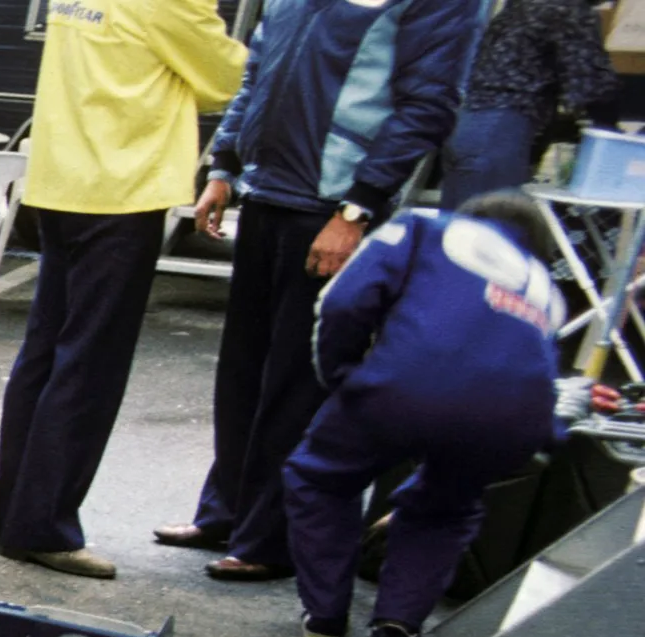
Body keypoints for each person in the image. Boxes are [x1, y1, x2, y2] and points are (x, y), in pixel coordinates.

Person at [160, 0, 481, 583]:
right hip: (266, 194)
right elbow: (257, 70)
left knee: (298, 382)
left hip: (333, 207)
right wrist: (224, 165)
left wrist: (358, 208)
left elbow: (427, 105)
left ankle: (272, 540)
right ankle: (227, 514)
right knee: (243, 374)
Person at [0, 0, 246, 577]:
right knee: (89, 368)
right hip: (122, 190)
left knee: (43, 357)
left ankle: (10, 510)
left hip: (61, 180)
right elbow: (226, 81)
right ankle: (44, 527)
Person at [284, 192, 568, 637]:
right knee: (445, 508)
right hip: (512, 417)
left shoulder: (423, 226)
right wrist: (548, 435)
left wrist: (342, 376)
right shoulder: (547, 289)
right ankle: (396, 630)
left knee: (321, 478)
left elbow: (343, 302)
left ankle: (324, 616)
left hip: (406, 384)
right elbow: (539, 372)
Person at [438, 0, 622, 204]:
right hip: (501, 132)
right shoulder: (569, 9)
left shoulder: (520, 6)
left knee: (459, 220)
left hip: (468, 129)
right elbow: (594, 88)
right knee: (489, 221)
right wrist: (614, 144)